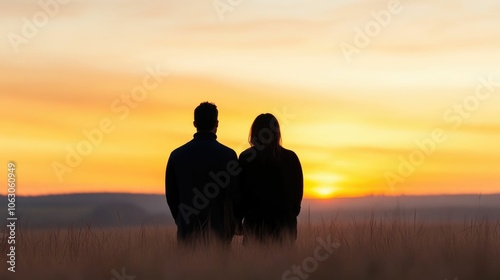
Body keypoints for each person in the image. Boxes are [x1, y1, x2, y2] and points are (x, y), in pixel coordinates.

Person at [165, 102, 240, 246]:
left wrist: (182, 220)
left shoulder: (177, 155)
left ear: (194, 123)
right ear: (217, 123)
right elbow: (234, 196)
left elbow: (171, 197)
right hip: (220, 232)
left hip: (187, 231)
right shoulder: (229, 156)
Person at [239, 113, 303, 244]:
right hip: (285, 229)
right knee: (283, 265)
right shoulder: (291, 158)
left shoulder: (246, 158)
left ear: (254, 132)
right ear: (277, 133)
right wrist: (288, 216)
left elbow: (239, 195)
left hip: (254, 228)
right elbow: (297, 196)